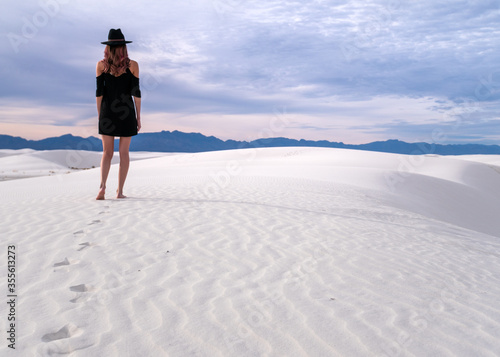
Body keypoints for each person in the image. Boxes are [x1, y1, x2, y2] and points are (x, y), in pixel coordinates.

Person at [95, 28, 141, 200]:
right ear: (124, 47)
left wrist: (100, 115)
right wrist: (138, 116)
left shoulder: (101, 65)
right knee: (124, 153)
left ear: (108, 48)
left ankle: (102, 187)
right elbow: (136, 93)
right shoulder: (133, 65)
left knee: (107, 153)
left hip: (107, 112)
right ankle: (119, 191)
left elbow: (99, 93)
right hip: (127, 112)